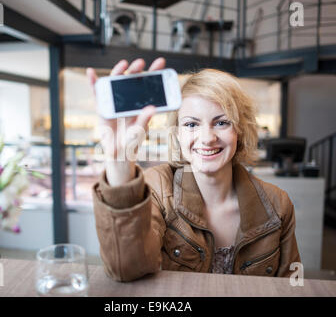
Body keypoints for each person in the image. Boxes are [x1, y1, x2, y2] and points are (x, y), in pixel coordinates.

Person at [87, 58, 301, 282]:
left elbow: (290, 287)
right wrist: (120, 162)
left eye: (221, 122)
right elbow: (127, 270)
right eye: (191, 124)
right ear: (177, 133)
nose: (207, 138)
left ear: (240, 130)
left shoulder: (278, 203)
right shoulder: (157, 188)